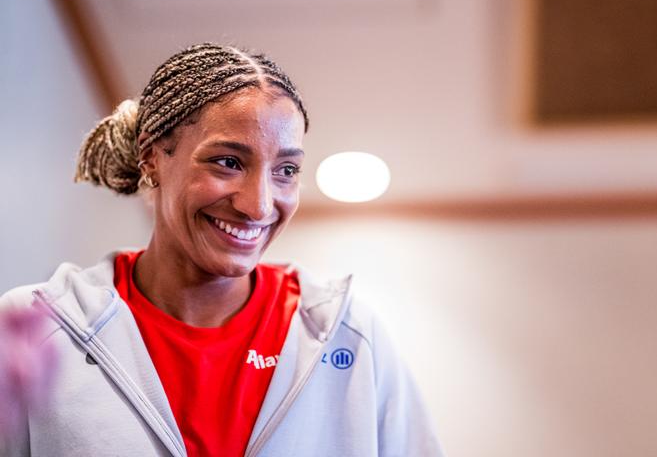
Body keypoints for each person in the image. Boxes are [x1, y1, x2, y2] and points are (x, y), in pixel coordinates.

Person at [0, 43, 443, 457]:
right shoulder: (37, 329)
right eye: (228, 162)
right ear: (152, 157)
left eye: (286, 170)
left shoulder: (350, 333)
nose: (260, 205)